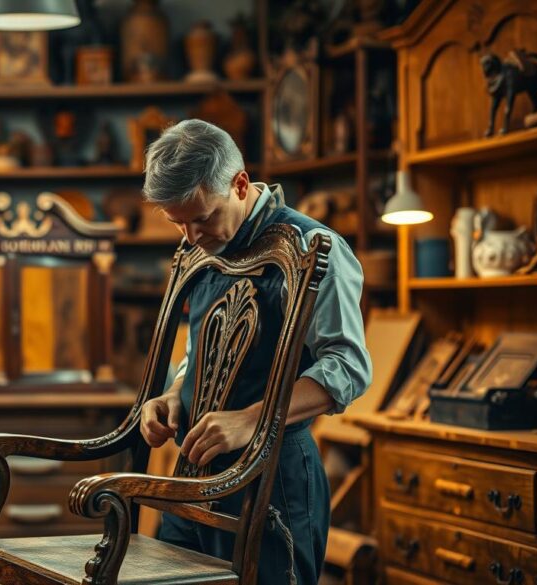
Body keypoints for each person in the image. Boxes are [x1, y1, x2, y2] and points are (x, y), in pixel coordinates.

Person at [139, 120, 371, 584]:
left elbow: (348, 368)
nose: (190, 237)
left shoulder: (312, 247)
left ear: (240, 184)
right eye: (177, 222)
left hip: (275, 486)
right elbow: (201, 350)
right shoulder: (203, 245)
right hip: (191, 477)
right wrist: (173, 394)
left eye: (201, 217)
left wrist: (253, 419)